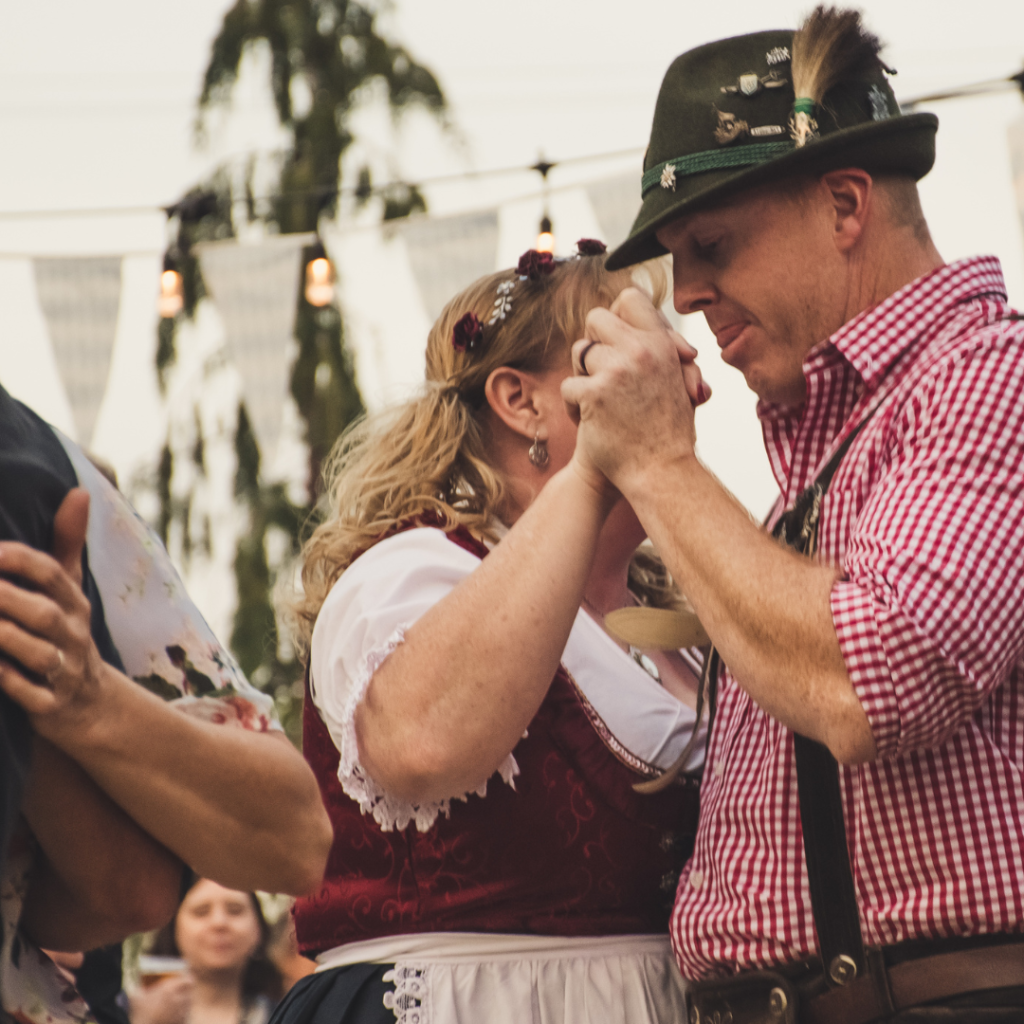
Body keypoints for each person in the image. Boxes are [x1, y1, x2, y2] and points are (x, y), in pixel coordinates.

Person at [557, 6, 1024, 1022]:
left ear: (846, 203)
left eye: (711, 243)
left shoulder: (993, 378)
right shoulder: (831, 460)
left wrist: (658, 464)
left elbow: (871, 682)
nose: (685, 294)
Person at [274, 244, 708, 1024]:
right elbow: (422, 745)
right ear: (522, 400)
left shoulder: (685, 623)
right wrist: (591, 473)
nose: (685, 369)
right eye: (629, 352)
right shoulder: (417, 572)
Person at [0, 383, 333, 1024]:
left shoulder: (38, 480)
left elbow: (293, 839)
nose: (217, 924)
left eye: (228, 911)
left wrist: (79, 697)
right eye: (208, 910)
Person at [131, 878, 283, 1024]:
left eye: (235, 910)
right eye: (201, 912)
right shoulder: (122, 1011)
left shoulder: (290, 1016)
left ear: (258, 929)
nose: (219, 923)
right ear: (173, 929)